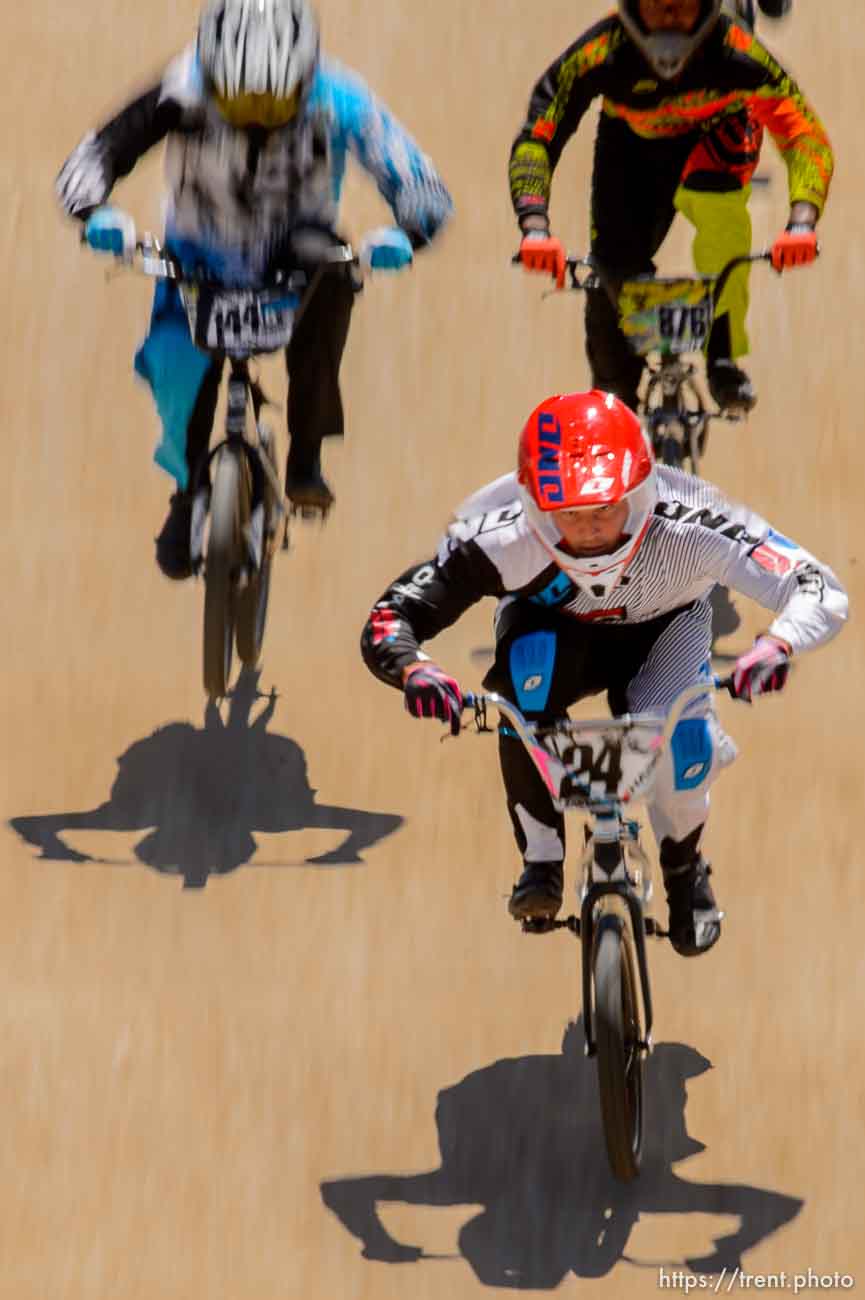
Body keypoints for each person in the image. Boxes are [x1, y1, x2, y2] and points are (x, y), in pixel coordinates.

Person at [360, 391, 847, 957]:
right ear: (537, 507)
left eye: (605, 510)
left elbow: (817, 584)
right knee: (521, 696)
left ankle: (685, 870)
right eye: (569, 514)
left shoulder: (694, 524)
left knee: (687, 747)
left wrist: (779, 643)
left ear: (640, 494)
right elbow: (391, 617)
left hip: (665, 627)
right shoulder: (500, 538)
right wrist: (414, 668)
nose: (589, 530)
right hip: (553, 630)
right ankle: (541, 859)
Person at [57, 0, 452, 578]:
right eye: (242, 102)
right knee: (173, 365)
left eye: (275, 103)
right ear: (213, 75)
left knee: (336, 271)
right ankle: (188, 485)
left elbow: (417, 178)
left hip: (296, 253)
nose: (258, 118)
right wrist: (95, 212)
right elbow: (94, 158)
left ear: (307, 75)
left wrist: (409, 229)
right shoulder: (180, 87)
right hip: (197, 251)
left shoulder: (343, 100)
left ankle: (307, 450)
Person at [510, 0, 829, 415]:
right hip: (632, 145)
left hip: (717, 134)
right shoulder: (600, 51)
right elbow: (539, 133)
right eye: (657, 7)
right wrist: (535, 226)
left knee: (721, 218)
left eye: (683, 7)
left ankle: (722, 355)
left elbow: (803, 136)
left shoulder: (738, 51)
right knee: (611, 278)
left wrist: (802, 221)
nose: (670, 19)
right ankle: (617, 401)